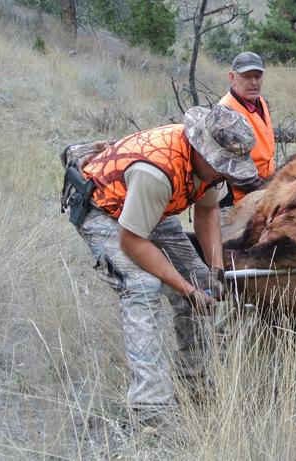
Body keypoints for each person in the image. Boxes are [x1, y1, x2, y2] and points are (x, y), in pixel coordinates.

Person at [62, 105, 258, 425]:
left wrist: (214, 269)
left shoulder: (211, 168)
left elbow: (208, 212)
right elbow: (132, 241)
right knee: (143, 287)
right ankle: (149, 407)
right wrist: (186, 289)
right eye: (223, 164)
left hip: (151, 210)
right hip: (104, 210)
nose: (226, 172)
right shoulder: (157, 171)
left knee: (203, 282)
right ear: (201, 149)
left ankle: (195, 386)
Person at [218, 51, 276, 206]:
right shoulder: (226, 112)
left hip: (262, 192)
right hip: (236, 202)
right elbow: (234, 171)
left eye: (257, 76)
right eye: (246, 77)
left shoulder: (261, 102)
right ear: (232, 77)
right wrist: (270, 190)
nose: (254, 83)